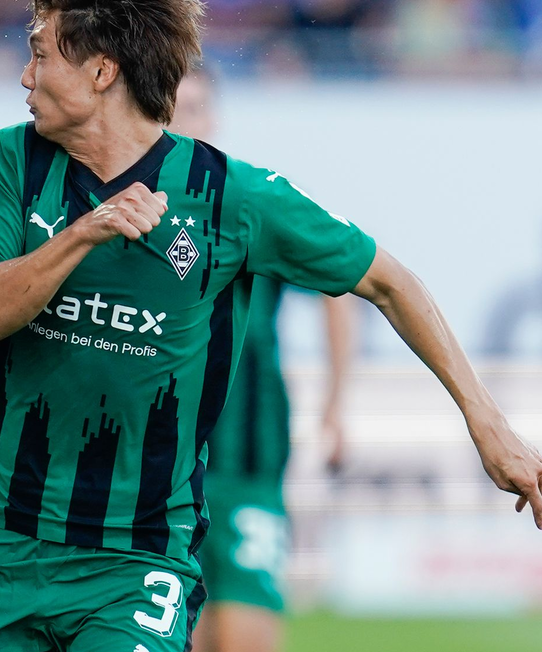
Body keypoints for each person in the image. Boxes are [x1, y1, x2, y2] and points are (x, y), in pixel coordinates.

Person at [0, 0, 542, 651]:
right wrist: (82, 234)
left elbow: (390, 282)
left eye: (40, 56)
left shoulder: (232, 198)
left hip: (136, 563)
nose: (24, 74)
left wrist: (486, 419)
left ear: (101, 70)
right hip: (0, 551)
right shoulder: (9, 160)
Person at [170, 69, 352, 652]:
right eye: (173, 108)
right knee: (178, 632)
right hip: (163, 468)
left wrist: (335, 405)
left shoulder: (247, 207)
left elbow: (340, 289)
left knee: (247, 632)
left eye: (194, 107)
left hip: (250, 454)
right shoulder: (128, 209)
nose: (183, 120)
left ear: (213, 116)